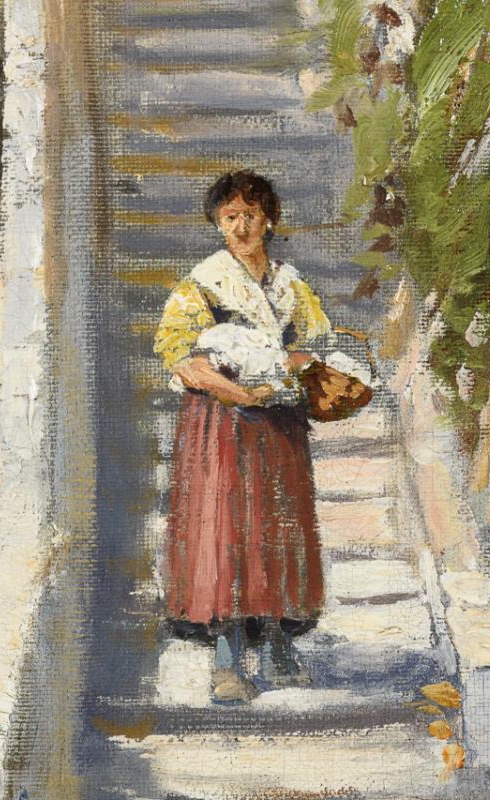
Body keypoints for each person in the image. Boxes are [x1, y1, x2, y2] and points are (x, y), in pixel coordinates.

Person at [154, 170, 332, 703]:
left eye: (250, 215)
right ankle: (227, 659)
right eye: (230, 217)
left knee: (277, 528)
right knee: (227, 531)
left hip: (278, 423)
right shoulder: (202, 284)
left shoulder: (290, 285)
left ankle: (277, 645)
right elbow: (177, 355)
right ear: (217, 223)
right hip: (221, 427)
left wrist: (285, 376)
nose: (240, 226)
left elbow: (314, 344)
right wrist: (238, 393)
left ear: (269, 219)